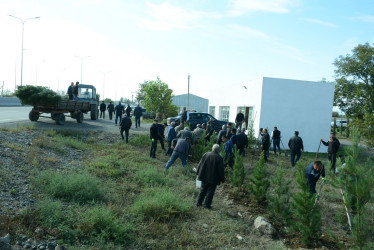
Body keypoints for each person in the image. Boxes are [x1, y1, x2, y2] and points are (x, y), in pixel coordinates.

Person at [196, 144, 225, 209]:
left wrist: (198, 172)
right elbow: (221, 170)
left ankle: (198, 203)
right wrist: (223, 179)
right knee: (210, 192)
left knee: (203, 190)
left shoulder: (206, 154)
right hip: (213, 178)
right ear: (218, 150)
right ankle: (207, 205)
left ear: (212, 149)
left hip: (204, 176)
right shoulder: (219, 158)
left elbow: (200, 164)